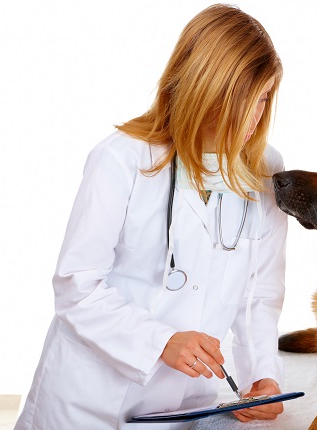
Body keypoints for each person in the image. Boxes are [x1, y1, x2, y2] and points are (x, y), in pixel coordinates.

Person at [15, 4, 289, 429]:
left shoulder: (265, 170)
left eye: (266, 97)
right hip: (88, 402)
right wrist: (160, 341)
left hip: (181, 406)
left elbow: (259, 297)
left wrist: (264, 377)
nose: (256, 115)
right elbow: (76, 285)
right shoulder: (121, 158)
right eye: (245, 97)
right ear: (206, 86)